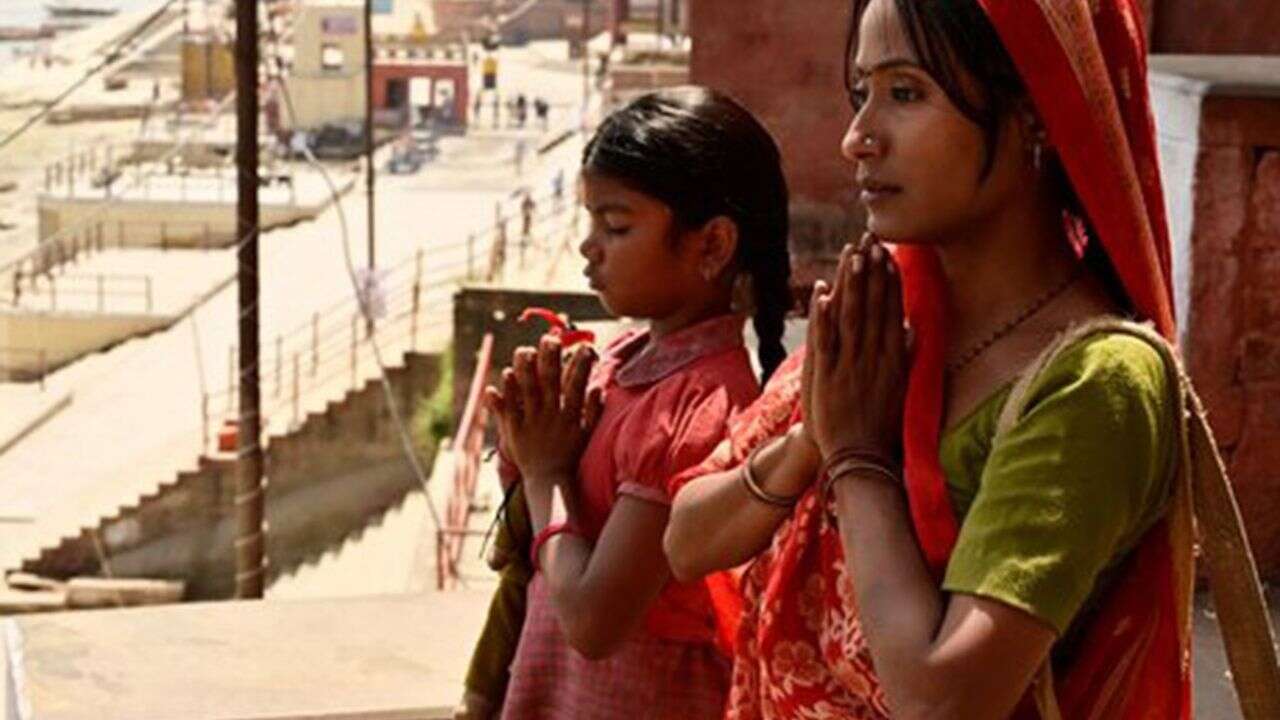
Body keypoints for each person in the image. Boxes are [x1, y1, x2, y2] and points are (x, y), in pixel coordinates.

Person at [663, 1, 1194, 718]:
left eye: (906, 93)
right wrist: (811, 443)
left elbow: (944, 699)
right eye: (861, 94)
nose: (858, 138)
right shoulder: (889, 320)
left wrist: (857, 458)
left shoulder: (1094, 381)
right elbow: (687, 540)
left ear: (1037, 110)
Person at [453, 86, 794, 720]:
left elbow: (592, 618)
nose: (590, 246)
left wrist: (542, 473)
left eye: (616, 225)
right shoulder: (621, 358)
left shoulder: (703, 408)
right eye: (591, 222)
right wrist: (526, 440)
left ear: (713, 245)